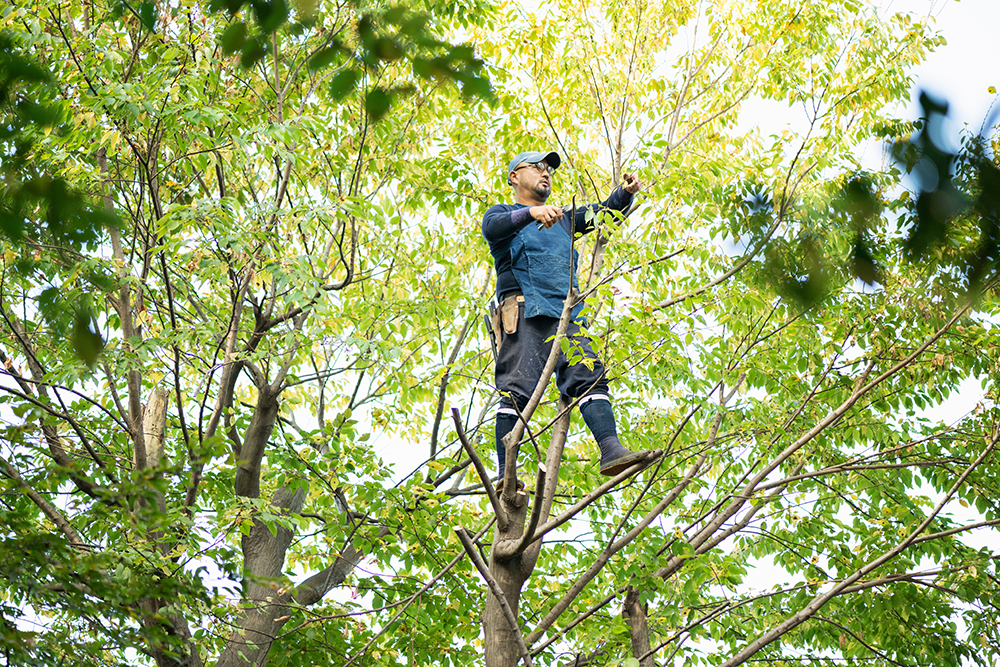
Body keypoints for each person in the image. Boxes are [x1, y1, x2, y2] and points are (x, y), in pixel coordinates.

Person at [481, 149, 646, 484]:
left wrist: (624, 194)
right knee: (516, 389)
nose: (546, 173)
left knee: (590, 374)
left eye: (549, 169)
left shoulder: (564, 219)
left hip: (566, 316)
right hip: (524, 310)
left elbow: (602, 215)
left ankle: (611, 449)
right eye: (537, 167)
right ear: (514, 176)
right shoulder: (505, 214)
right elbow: (493, 227)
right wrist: (532, 213)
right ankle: (506, 475)